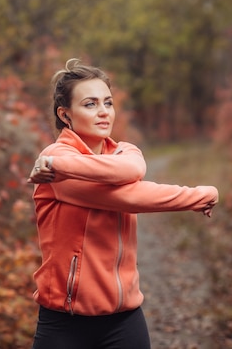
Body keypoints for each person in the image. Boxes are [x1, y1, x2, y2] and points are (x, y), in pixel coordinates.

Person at [27, 59, 218, 349]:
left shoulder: (122, 152)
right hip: (65, 322)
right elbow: (129, 196)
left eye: (108, 103)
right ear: (65, 115)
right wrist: (197, 196)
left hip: (123, 319)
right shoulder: (56, 160)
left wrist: (58, 165)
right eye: (90, 104)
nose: (103, 112)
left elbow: (132, 172)